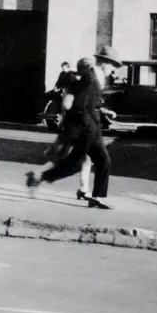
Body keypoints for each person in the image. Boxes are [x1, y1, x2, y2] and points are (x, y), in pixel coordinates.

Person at [26, 46, 124, 209]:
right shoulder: (90, 77)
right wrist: (86, 123)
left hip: (87, 125)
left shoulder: (96, 77)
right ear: (104, 62)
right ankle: (96, 196)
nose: (113, 69)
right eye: (113, 65)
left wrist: (101, 111)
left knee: (78, 162)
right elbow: (78, 102)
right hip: (86, 127)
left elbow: (89, 102)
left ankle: (40, 176)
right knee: (98, 159)